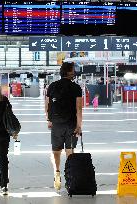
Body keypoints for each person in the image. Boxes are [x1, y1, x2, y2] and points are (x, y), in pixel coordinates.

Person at [45, 62, 82, 191]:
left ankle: (57, 172)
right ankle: (69, 177)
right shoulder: (76, 87)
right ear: (69, 72)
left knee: (56, 151)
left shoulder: (52, 86)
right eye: (73, 70)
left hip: (56, 124)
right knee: (70, 152)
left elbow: (47, 105)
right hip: (71, 124)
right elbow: (79, 108)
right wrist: (79, 125)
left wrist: (49, 120)